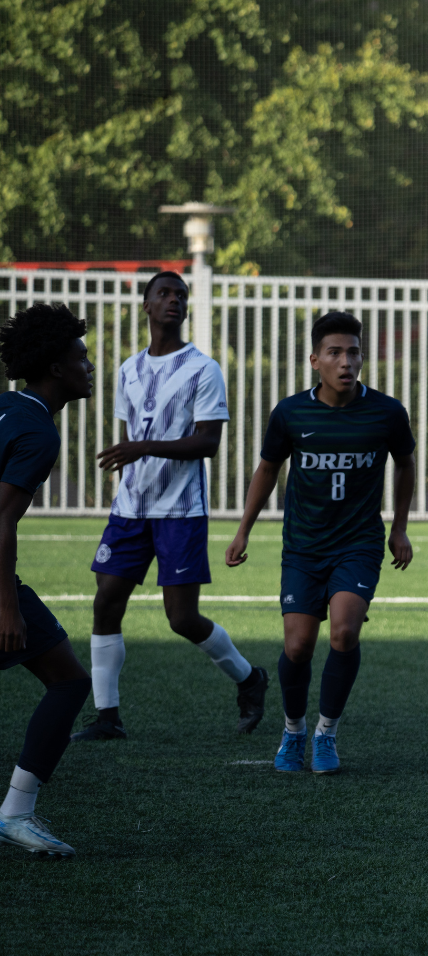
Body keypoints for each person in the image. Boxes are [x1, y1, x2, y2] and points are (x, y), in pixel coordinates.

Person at [71, 271, 268, 742]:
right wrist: (128, 468)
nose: (174, 300)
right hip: (130, 511)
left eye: (180, 294)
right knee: (106, 602)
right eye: (164, 293)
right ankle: (107, 716)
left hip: (181, 510)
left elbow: (208, 442)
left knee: (181, 619)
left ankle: (249, 678)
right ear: (146, 305)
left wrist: (142, 449)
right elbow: (127, 440)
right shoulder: (127, 370)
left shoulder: (204, 368)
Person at [225, 311, 416, 775]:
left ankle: (326, 733)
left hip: (358, 543)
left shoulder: (387, 412)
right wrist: (244, 528)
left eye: (353, 352)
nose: (346, 361)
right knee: (297, 648)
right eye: (334, 352)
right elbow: (267, 470)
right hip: (304, 547)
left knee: (345, 631)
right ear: (315, 360)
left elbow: (406, 465)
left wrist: (400, 527)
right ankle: (293, 731)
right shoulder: (291, 413)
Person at [0, 305, 97, 857]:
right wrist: (7, 607)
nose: (89, 366)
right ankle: (16, 813)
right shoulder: (39, 430)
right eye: (81, 357)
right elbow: (1, 520)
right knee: (68, 682)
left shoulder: (7, 407)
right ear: (57, 369)